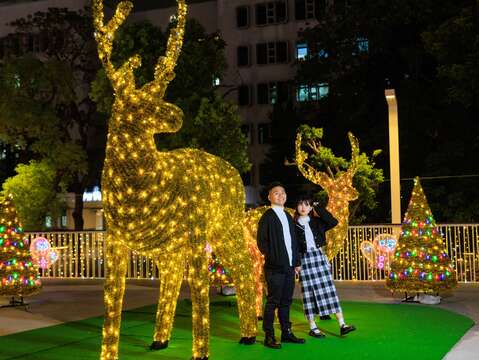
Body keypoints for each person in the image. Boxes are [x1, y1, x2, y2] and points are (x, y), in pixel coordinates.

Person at [294, 196, 356, 338]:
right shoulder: (293, 225)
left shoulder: (317, 222)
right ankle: (313, 327)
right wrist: (296, 263)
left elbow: (333, 221)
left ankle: (342, 324)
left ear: (310, 208)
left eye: (307, 204)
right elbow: (293, 246)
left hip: (319, 257)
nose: (303, 207)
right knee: (308, 293)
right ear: (297, 207)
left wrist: (318, 207)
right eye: (300, 204)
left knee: (329, 290)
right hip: (304, 259)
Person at [257, 182, 305, 349]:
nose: (280, 195)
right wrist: (274, 257)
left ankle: (286, 332)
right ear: (270, 197)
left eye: (283, 193)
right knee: (273, 301)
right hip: (275, 268)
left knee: (286, 301)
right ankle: (269, 335)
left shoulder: (288, 216)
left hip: (290, 267)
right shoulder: (267, 217)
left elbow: (294, 241)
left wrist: (296, 262)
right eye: (276, 193)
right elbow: (261, 242)